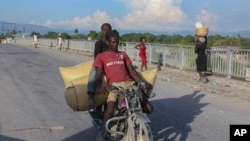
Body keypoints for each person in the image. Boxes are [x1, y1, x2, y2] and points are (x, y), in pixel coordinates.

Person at [93, 30, 153, 141]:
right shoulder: (101, 56)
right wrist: (100, 86)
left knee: (149, 107)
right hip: (115, 86)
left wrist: (142, 83)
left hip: (130, 84)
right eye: (113, 42)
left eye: (117, 42)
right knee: (109, 109)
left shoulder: (123, 55)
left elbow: (132, 71)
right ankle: (105, 131)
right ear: (107, 42)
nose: (115, 45)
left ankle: (138, 124)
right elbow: (98, 74)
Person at [87, 23, 112, 107]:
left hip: (110, 64)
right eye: (104, 30)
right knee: (93, 73)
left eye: (108, 30)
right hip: (100, 64)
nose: (106, 32)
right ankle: (91, 95)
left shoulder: (112, 43)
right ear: (101, 31)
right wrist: (100, 68)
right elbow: (96, 57)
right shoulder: (99, 43)